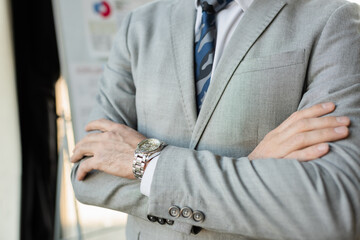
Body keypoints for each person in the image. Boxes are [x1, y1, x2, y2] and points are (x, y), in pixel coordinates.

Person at [70, 0, 360, 239]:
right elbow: (89, 174)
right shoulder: (138, 26)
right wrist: (251, 170)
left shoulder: (335, 20)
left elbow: (333, 205)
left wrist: (149, 163)